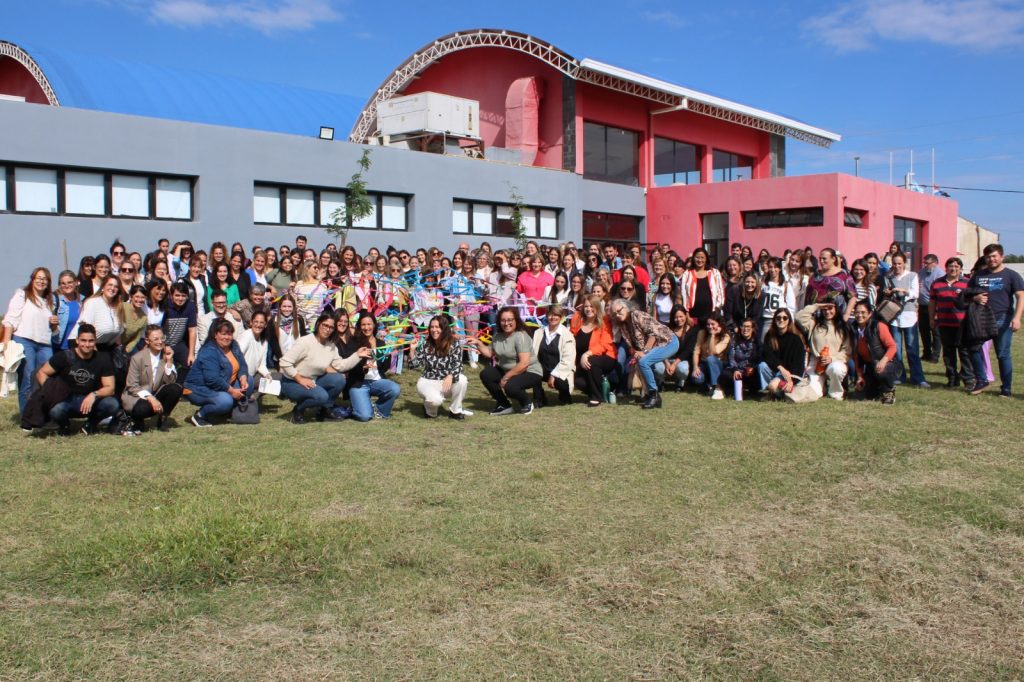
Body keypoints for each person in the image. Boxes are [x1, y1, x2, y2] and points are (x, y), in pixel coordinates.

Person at [30, 323, 119, 435]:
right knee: (55, 410)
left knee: (112, 404)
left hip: (90, 400)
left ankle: (90, 424)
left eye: (91, 341)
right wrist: (51, 391)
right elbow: (41, 373)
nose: (87, 344)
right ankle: (64, 425)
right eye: (83, 340)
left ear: (95, 341)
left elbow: (110, 388)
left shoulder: (103, 359)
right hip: (67, 399)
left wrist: (94, 395)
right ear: (77, 340)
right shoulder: (64, 356)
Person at [279, 313, 368, 423]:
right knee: (322, 396)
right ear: (318, 324)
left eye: (331, 327)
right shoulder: (305, 342)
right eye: (325, 325)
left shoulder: (331, 346)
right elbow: (284, 362)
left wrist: (357, 355)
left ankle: (324, 410)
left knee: (339, 379)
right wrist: (300, 379)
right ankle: (298, 410)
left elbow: (340, 366)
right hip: (292, 381)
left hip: (312, 380)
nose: (327, 329)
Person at [966, 244, 1024, 396]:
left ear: (1002, 257)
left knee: (1002, 354)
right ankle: (981, 380)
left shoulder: (1011, 275)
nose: (991, 259)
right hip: (981, 319)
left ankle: (1006, 389)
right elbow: (967, 294)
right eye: (988, 257)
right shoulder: (978, 275)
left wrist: (1017, 318)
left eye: (994, 256)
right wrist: (975, 298)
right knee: (974, 349)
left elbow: (1021, 296)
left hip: (1002, 318)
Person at [466, 306, 544, 415]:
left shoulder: (521, 336)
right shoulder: (498, 336)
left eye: (510, 320)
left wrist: (505, 378)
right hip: (508, 370)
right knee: (486, 374)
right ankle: (504, 404)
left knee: (510, 387)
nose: (506, 323)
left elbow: (524, 363)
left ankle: (527, 402)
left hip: (530, 371)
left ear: (516, 320)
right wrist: (478, 343)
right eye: (503, 320)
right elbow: (489, 353)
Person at [2, 267, 57, 413]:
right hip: (25, 341)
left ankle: (40, 414)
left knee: (45, 379)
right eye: (38, 278)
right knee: (27, 379)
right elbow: (11, 318)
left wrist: (54, 324)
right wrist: (7, 342)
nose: (41, 281)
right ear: (32, 280)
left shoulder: (49, 301)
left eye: (44, 279)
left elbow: (53, 330)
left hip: (44, 344)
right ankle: (26, 416)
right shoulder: (22, 294)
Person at [609, 298, 679, 409]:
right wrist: (636, 353)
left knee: (644, 362)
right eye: (614, 314)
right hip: (657, 346)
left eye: (619, 311)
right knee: (642, 363)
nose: (617, 315)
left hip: (669, 341)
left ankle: (653, 395)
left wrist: (645, 351)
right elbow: (633, 344)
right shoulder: (623, 325)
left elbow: (653, 335)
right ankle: (652, 396)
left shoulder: (637, 315)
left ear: (626, 307)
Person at [183, 317, 251, 427]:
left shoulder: (233, 345)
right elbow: (212, 379)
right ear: (215, 334)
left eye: (229, 334)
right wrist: (232, 391)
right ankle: (200, 416)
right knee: (225, 401)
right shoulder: (209, 351)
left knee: (249, 380)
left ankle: (226, 412)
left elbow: (242, 364)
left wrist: (243, 378)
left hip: (222, 383)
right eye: (223, 334)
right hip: (198, 388)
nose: (227, 337)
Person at [121, 324, 183, 432]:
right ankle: (136, 419)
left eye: (162, 338)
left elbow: (170, 381)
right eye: (156, 339)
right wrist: (151, 398)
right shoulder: (137, 358)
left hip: (155, 393)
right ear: (147, 341)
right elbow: (132, 385)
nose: (160, 342)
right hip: (136, 396)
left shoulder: (165, 354)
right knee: (143, 409)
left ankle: (162, 419)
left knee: (176, 389)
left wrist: (169, 361)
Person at [882, 252, 929, 388]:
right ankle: (899, 375)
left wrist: (903, 291)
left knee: (912, 348)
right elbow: (886, 293)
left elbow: (915, 293)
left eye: (899, 263)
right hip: (893, 316)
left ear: (904, 263)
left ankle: (918, 378)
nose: (897, 266)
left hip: (909, 315)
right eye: (894, 263)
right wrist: (888, 292)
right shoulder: (888, 277)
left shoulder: (912, 275)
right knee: (896, 349)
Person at [345, 311, 402, 421]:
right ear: (359, 326)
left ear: (374, 325)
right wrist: (363, 367)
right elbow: (348, 366)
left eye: (369, 324)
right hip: (359, 383)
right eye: (363, 324)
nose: (366, 328)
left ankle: (379, 409)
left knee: (395, 389)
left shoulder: (381, 343)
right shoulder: (353, 342)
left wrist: (388, 355)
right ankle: (356, 406)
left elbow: (384, 368)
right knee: (365, 416)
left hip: (377, 381)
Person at [928, 257, 973, 389]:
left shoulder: (967, 283)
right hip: (944, 323)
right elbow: (932, 302)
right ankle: (952, 378)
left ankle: (968, 379)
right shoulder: (937, 283)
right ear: (946, 268)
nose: (953, 269)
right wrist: (931, 318)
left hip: (963, 324)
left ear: (960, 269)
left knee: (964, 352)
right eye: (950, 266)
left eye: (956, 266)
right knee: (948, 353)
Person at [414, 314, 469, 419]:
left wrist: (451, 375)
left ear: (444, 329)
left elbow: (458, 364)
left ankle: (455, 411)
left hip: (446, 382)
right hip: (428, 381)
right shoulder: (425, 344)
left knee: (462, 380)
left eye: (437, 327)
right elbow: (415, 365)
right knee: (435, 401)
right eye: (432, 327)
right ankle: (429, 411)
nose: (434, 330)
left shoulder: (454, 343)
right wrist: (412, 350)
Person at [796, 299, 852, 400]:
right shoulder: (814, 323)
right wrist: (817, 305)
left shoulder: (843, 327)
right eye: (824, 309)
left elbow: (847, 351)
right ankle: (823, 388)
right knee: (814, 393)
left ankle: (835, 393)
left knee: (836, 369)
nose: (827, 312)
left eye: (830, 308)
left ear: (836, 309)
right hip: (816, 362)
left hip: (835, 361)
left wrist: (832, 358)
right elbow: (799, 317)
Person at [570, 295, 617, 407]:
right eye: (586, 306)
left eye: (592, 306)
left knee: (592, 361)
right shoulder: (577, 318)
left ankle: (596, 397)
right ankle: (603, 390)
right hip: (583, 360)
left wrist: (587, 354)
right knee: (578, 382)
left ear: (597, 308)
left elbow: (604, 344)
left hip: (606, 356)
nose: (589, 309)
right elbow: (571, 336)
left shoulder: (604, 321)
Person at [850, 301, 899, 405]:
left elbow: (893, 347)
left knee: (880, 371)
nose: (860, 315)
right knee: (859, 396)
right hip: (870, 366)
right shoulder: (853, 329)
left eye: (863, 312)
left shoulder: (879, 326)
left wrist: (883, 361)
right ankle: (877, 389)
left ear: (870, 314)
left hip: (886, 364)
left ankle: (889, 392)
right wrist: (859, 376)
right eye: (857, 312)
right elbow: (856, 356)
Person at [531, 304, 576, 407]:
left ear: (561, 317)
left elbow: (568, 360)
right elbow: (533, 354)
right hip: (542, 368)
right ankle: (539, 398)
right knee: (533, 373)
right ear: (547, 316)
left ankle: (565, 396)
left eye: (556, 315)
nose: (553, 317)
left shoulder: (568, 335)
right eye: (550, 315)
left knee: (560, 382)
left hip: (561, 369)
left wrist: (553, 374)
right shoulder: (538, 333)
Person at [758, 308, 807, 397]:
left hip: (789, 374)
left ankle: (775, 391)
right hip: (777, 370)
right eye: (778, 318)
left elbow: (799, 364)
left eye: (785, 318)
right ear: (774, 319)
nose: (781, 320)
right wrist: (780, 368)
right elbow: (767, 355)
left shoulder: (796, 339)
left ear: (789, 320)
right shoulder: (769, 336)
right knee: (762, 365)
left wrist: (791, 381)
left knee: (773, 385)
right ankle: (769, 392)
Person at [690, 312, 731, 399]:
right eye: (708, 324)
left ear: (719, 325)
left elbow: (713, 353)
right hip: (704, 363)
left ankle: (717, 388)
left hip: (718, 364)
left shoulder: (725, 336)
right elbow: (696, 351)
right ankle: (708, 385)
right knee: (697, 378)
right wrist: (695, 367)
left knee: (711, 359)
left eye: (713, 324)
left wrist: (712, 335)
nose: (710, 327)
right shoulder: (702, 333)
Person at [654, 304, 693, 393]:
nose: (679, 319)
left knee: (683, 369)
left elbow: (688, 351)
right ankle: (661, 382)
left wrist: (674, 364)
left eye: (681, 316)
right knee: (658, 368)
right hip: (665, 358)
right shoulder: (667, 329)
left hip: (681, 360)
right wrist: (667, 363)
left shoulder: (692, 330)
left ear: (686, 315)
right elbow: (661, 346)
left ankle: (681, 383)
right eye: (676, 317)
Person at [680, 248, 725, 325]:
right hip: (693, 315)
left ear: (706, 258)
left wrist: (716, 310)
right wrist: (687, 315)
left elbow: (721, 293)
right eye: (697, 257)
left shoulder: (715, 272)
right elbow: (684, 295)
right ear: (693, 258)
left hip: (711, 315)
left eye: (702, 257)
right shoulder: (687, 273)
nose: (700, 260)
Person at [162, 282, 197, 368]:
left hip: (178, 343)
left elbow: (192, 330)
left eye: (183, 296)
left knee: (192, 365)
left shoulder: (190, 306)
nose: (180, 299)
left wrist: (191, 354)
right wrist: (164, 345)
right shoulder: (165, 306)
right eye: (177, 295)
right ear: (171, 296)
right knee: (164, 368)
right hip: (163, 344)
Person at [917, 254, 944, 363]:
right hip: (922, 306)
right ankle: (926, 353)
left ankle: (935, 355)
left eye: (927, 263)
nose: (925, 265)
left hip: (934, 306)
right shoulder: (921, 272)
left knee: (935, 331)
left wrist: (937, 310)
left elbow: (940, 293)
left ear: (935, 263)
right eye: (924, 263)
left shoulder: (940, 274)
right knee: (924, 330)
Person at [726, 318, 761, 399]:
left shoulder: (757, 341)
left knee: (757, 376)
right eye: (743, 326)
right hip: (738, 369)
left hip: (752, 371)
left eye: (748, 326)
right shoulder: (735, 339)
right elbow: (731, 356)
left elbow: (760, 357)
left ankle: (751, 391)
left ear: (752, 328)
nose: (745, 329)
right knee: (725, 374)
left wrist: (753, 367)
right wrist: (735, 369)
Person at [236, 310, 272, 386]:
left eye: (261, 322)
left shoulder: (264, 341)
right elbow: (237, 356)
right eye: (256, 322)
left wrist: (266, 374)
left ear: (265, 325)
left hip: (253, 375)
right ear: (251, 322)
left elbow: (262, 365)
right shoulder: (247, 335)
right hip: (242, 377)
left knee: (276, 378)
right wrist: (242, 376)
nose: (258, 325)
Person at [52, 270, 81, 353]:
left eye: (69, 282)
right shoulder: (55, 301)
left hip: (77, 347)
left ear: (75, 283)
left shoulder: (83, 301)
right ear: (60, 285)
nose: (67, 285)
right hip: (58, 347)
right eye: (63, 283)